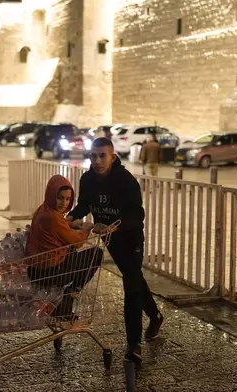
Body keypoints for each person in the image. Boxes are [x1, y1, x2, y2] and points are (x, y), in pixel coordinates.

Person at [66, 137, 162, 363]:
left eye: (102, 156)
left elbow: (137, 214)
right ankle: (156, 316)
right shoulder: (88, 179)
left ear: (113, 156)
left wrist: (114, 226)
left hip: (130, 236)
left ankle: (134, 343)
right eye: (93, 156)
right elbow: (84, 204)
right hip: (109, 237)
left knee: (130, 283)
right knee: (134, 277)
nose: (97, 161)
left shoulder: (126, 181)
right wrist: (69, 217)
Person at [26, 175, 102, 321]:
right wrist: (86, 228)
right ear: (51, 195)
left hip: (35, 270)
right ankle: (70, 295)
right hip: (51, 271)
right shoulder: (54, 217)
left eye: (68, 199)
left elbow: (56, 229)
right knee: (95, 254)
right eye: (60, 198)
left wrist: (69, 225)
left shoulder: (43, 210)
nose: (64, 203)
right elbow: (77, 242)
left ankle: (65, 303)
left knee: (72, 253)